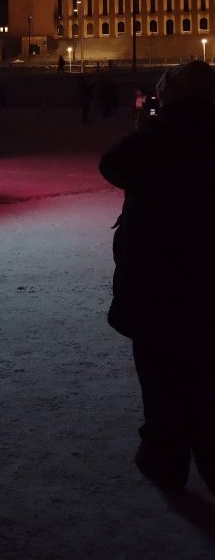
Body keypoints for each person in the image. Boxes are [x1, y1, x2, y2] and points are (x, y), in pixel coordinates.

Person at [99, 60, 215, 494]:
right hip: (207, 283)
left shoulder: (157, 140)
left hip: (155, 286)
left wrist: (157, 122)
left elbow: (113, 164)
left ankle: (165, 460)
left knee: (161, 380)